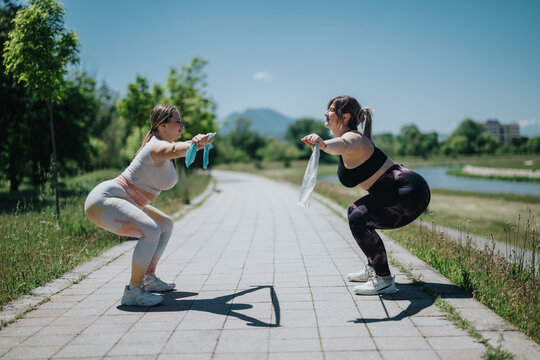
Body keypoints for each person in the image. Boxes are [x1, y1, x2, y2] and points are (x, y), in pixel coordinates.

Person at [85, 104, 215, 306]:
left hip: (126, 200)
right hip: (103, 201)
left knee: (165, 225)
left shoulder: (161, 145)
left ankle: (148, 278)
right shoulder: (155, 146)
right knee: (151, 230)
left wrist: (197, 143)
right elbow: (173, 149)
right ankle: (133, 291)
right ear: (163, 125)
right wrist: (195, 144)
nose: (182, 125)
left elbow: (174, 149)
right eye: (177, 121)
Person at [301, 96, 430, 295]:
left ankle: (384, 280)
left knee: (358, 217)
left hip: (408, 191)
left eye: (330, 110)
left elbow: (343, 145)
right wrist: (325, 144)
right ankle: (374, 266)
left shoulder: (354, 138)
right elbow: (341, 145)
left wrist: (323, 144)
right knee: (354, 210)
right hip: (401, 190)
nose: (325, 113)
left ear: (345, 116)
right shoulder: (350, 138)